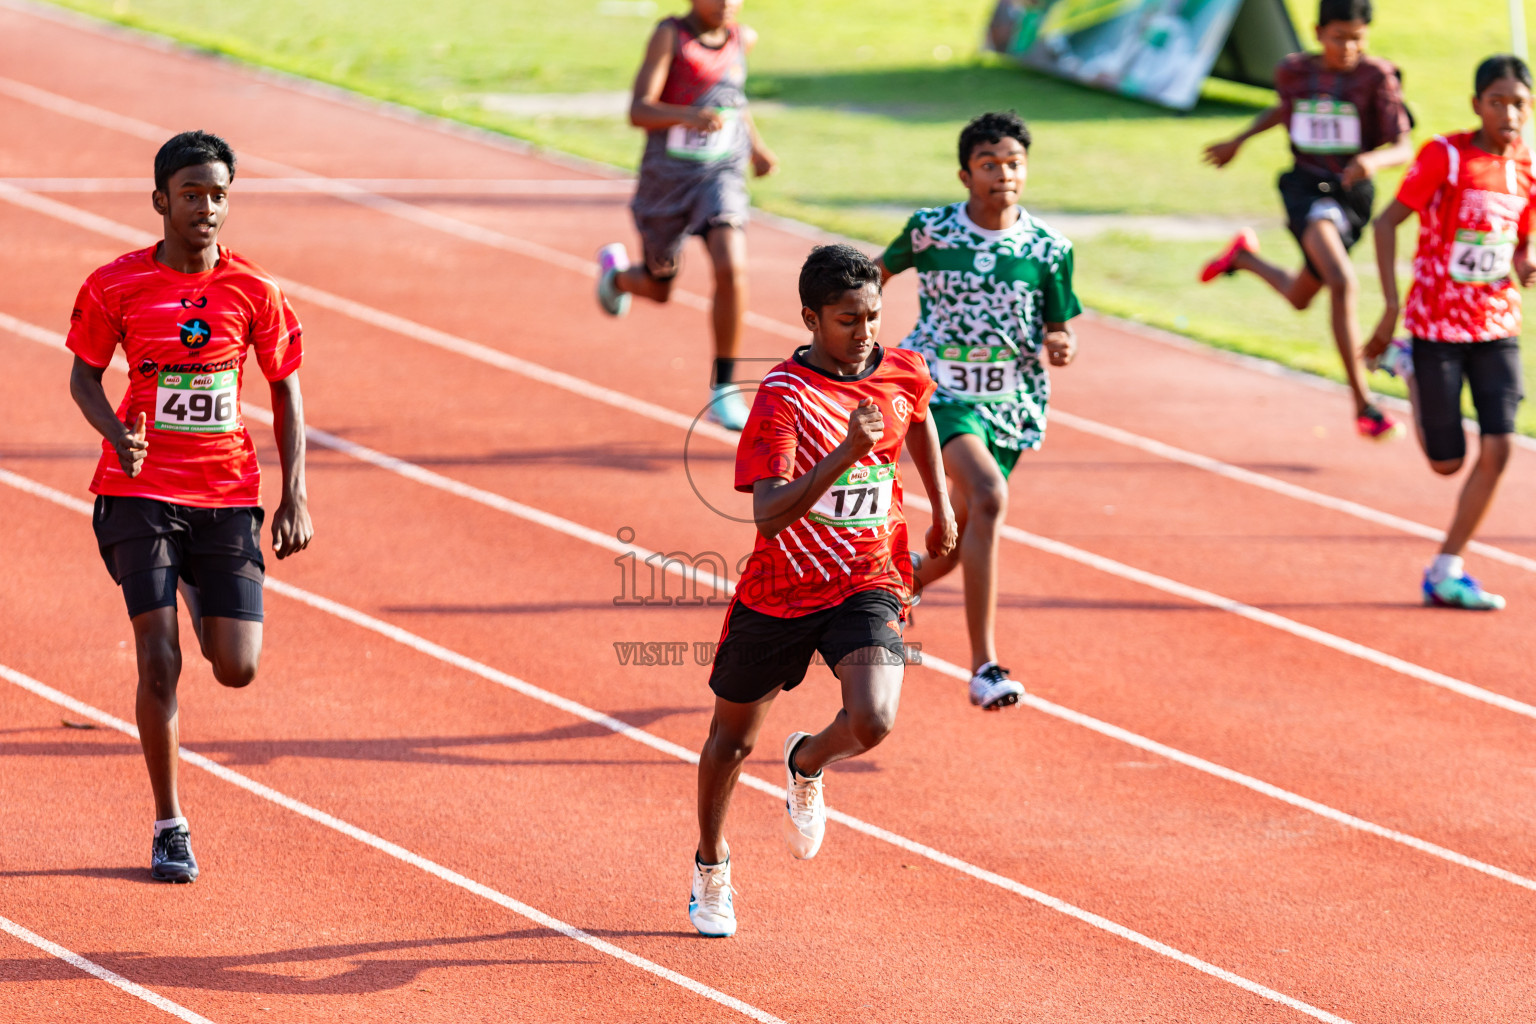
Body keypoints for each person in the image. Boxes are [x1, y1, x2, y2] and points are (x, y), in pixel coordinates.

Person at [688, 245, 957, 938]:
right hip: (780, 591)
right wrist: (842, 452)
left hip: (867, 580)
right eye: (847, 319)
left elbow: (918, 413)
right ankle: (711, 865)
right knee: (731, 741)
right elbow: (768, 513)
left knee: (874, 720)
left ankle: (807, 759)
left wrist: (943, 508)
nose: (865, 331)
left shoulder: (901, 367)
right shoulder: (783, 396)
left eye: (872, 315)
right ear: (811, 318)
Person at [66, 130, 313, 882]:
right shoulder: (115, 285)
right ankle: (169, 824)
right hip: (137, 492)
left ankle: (197, 581)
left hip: (225, 494)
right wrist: (117, 432)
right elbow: (82, 379)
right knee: (159, 657)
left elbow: (284, 388)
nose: (207, 208)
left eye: (218, 195)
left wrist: (296, 488)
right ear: (160, 202)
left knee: (236, 667)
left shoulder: (254, 290)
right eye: (192, 194)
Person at [878, 110, 1082, 711]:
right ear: (965, 174)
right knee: (989, 497)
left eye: (1013, 164)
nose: (1003, 174)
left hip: (1012, 401)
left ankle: (895, 585)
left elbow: (1057, 323)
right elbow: (873, 278)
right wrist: (855, 339)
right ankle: (984, 667)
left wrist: (1061, 343)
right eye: (989, 165)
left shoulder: (1049, 248)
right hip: (940, 390)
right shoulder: (930, 231)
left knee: (962, 536)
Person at [1364, 55, 1535, 610]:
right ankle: (1407, 363)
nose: (1509, 113)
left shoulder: (1529, 168)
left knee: (1501, 446)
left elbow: (1522, 238)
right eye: (1497, 101)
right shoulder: (1447, 156)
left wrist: (1527, 263)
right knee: (1446, 463)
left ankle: (1447, 567)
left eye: (1519, 103)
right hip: (1436, 325)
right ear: (1476, 105)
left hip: (1495, 323)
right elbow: (1388, 221)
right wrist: (1391, 308)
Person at [1200, 0, 1412, 440]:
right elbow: (1286, 109)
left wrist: (1372, 161)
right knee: (1343, 282)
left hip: (1352, 194)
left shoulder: (1377, 78)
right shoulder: (1295, 71)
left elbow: (1404, 146)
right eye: (1339, 38)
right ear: (1318, 33)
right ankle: (1364, 403)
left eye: (1357, 38)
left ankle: (1244, 259)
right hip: (1306, 189)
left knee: (1301, 296)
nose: (1348, 47)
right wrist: (1239, 140)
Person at [595, 0, 778, 431]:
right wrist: (687, 116)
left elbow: (733, 99)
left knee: (732, 267)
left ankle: (725, 389)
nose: (728, 4)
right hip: (668, 182)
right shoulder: (670, 36)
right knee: (660, 288)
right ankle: (618, 278)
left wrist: (756, 147)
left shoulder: (741, 38)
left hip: (721, 175)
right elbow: (638, 110)